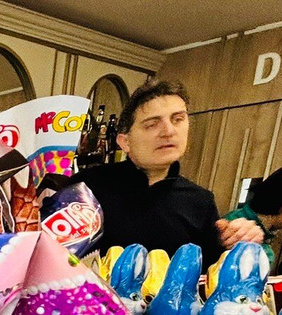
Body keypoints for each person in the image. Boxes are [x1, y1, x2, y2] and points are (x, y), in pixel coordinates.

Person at [71, 80, 263, 267]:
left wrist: (236, 241)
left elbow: (210, 274)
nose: (169, 131)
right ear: (125, 142)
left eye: (178, 119)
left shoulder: (201, 202)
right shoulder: (86, 186)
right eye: (152, 124)